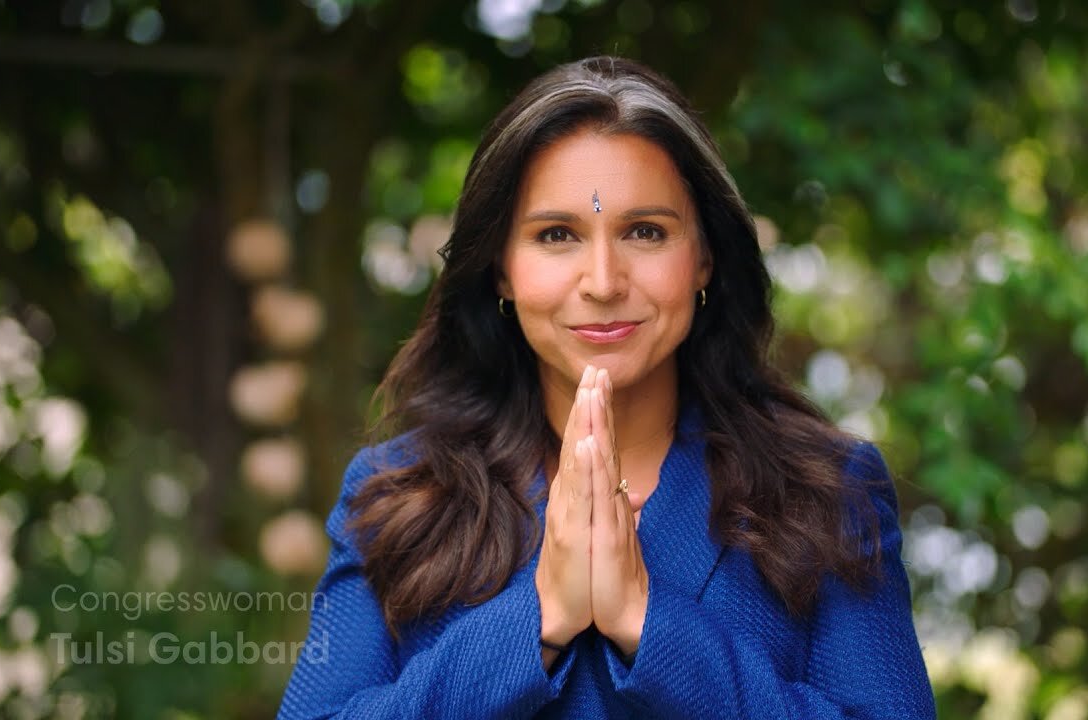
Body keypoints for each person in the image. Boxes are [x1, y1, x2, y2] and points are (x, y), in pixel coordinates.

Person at [277, 56, 934, 719]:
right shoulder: (396, 494)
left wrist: (652, 625)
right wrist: (535, 622)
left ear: (704, 258)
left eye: (645, 232)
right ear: (502, 269)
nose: (602, 280)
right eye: (557, 234)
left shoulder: (825, 491)